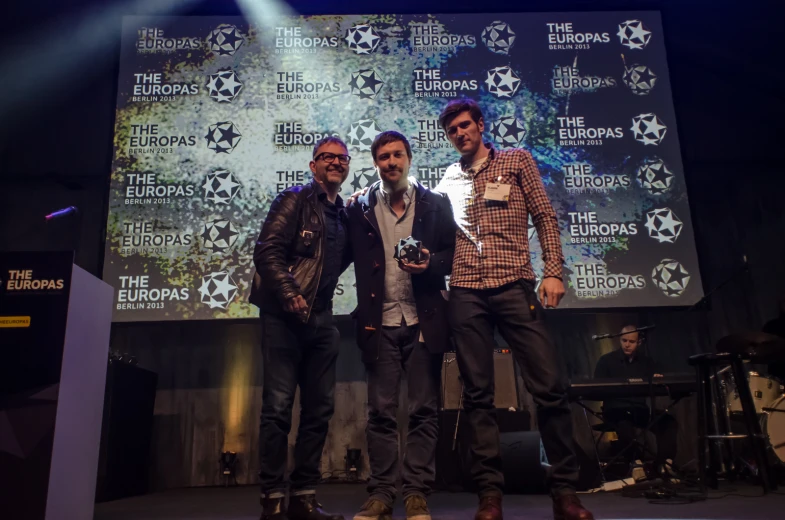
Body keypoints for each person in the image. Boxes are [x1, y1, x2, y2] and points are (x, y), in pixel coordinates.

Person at [434, 98, 593, 520]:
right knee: (478, 396)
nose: (460, 134)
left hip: (514, 284)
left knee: (549, 387)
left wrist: (553, 272)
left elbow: (544, 217)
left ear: (481, 125)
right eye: (452, 131)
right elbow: (439, 233)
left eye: (465, 126)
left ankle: (565, 492)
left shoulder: (516, 160)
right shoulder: (448, 177)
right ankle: (489, 495)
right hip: (466, 291)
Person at [346, 131, 456, 520]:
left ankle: (416, 494)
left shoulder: (436, 203)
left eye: (397, 155)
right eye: (383, 156)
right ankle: (380, 494)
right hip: (380, 323)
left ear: (409, 158)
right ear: (376, 162)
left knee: (424, 411)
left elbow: (453, 255)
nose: (391, 162)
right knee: (380, 413)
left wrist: (432, 263)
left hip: (423, 321)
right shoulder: (358, 207)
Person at [249, 136, 351, 520]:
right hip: (283, 317)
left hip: (323, 319)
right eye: (327, 157)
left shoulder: (343, 214)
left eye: (342, 158)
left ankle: (303, 497)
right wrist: (289, 291)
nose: (335, 163)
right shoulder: (294, 200)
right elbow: (267, 251)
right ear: (313, 165)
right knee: (277, 409)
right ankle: (273, 499)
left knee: (319, 411)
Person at [594, 325, 679, 478]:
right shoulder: (606, 361)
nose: (627, 344)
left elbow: (657, 383)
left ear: (639, 342)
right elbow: (596, 388)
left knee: (668, 421)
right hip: (616, 412)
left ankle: (664, 463)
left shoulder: (647, 362)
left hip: (640, 410)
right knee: (624, 423)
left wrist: (658, 381)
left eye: (631, 341)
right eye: (624, 340)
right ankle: (636, 462)